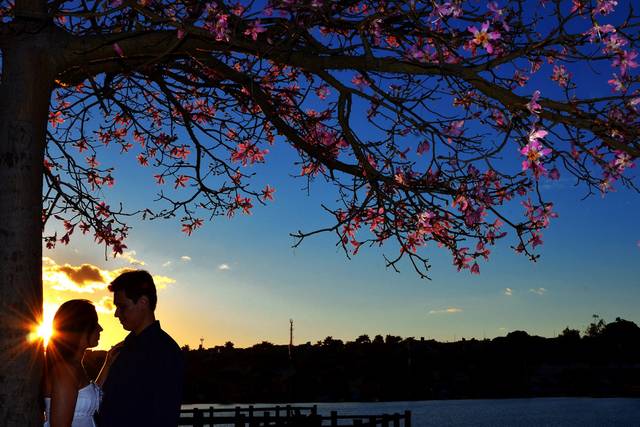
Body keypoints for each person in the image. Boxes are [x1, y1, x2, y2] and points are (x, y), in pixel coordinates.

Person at [97, 270, 184, 427]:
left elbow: (164, 416)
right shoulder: (124, 348)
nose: (116, 314)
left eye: (122, 307)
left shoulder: (165, 352)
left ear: (143, 302)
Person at [43, 299, 118, 427]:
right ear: (81, 328)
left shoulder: (76, 366)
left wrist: (107, 364)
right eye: (95, 324)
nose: (100, 328)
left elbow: (86, 395)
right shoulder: (66, 371)